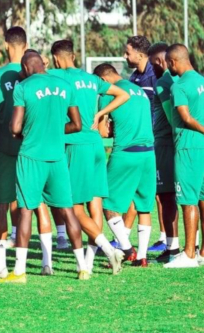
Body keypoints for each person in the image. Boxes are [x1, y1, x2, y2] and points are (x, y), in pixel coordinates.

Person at [1, 51, 88, 284]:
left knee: (26, 210)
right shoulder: (65, 85)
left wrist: (27, 131)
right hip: (57, 158)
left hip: (31, 157)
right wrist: (54, 130)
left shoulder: (23, 87)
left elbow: (15, 127)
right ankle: (82, 268)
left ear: (25, 68)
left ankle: (19, 271)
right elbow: (77, 125)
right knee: (67, 210)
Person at [49, 40, 129, 273]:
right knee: (95, 205)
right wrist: (100, 113)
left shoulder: (56, 76)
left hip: (76, 145)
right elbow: (123, 95)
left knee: (73, 208)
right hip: (96, 145)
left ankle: (110, 250)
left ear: (56, 58)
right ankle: (90, 263)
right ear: (74, 56)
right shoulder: (91, 79)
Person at [0, 27, 53, 279]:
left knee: (1, 206)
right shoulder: (40, 76)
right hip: (33, 149)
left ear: (6, 45)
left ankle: (0, 265)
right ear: (26, 45)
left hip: (4, 149)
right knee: (39, 204)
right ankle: (47, 262)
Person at [164, 44, 204, 268]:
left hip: (188, 147)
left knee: (187, 201)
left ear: (173, 62)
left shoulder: (179, 86)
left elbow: (186, 117)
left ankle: (188, 255)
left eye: (169, 64)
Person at [94, 63, 155, 267]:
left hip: (126, 153)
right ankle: (142, 257)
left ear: (102, 80)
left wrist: (102, 124)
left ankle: (127, 249)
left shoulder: (108, 93)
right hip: (149, 153)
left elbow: (103, 132)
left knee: (107, 204)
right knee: (143, 207)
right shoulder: (140, 91)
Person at [123, 35, 165, 251]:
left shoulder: (154, 76)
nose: (124, 56)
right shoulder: (134, 77)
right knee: (136, 190)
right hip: (139, 140)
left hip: (155, 140)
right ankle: (123, 237)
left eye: (127, 52)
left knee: (159, 191)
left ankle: (165, 239)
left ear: (140, 55)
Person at [147, 43, 181, 262]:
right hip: (173, 144)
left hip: (166, 144)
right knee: (181, 196)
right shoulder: (179, 80)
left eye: (153, 64)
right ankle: (191, 246)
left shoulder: (163, 83)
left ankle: (173, 248)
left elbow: (171, 117)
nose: (152, 69)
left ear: (160, 62)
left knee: (166, 195)